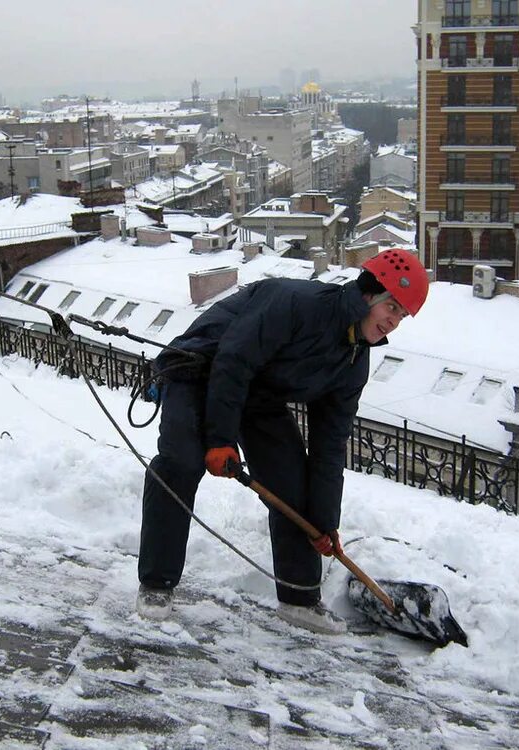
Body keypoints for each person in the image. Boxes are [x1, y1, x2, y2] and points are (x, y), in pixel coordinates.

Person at [136, 249, 430, 634]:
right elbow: (233, 361)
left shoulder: (354, 362)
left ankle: (299, 598)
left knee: (292, 484)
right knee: (182, 462)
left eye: (402, 315)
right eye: (391, 306)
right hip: (199, 369)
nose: (393, 321)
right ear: (367, 295)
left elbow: (330, 444)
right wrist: (221, 440)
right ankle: (156, 584)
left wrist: (324, 523)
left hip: (257, 393)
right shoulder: (297, 304)